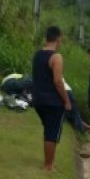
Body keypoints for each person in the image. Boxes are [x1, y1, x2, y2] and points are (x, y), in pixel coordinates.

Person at [32, 25, 71, 171]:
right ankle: (48, 165)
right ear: (59, 38)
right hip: (53, 101)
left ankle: (50, 162)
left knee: (49, 129)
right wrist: (66, 101)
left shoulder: (37, 55)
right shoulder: (56, 57)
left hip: (38, 99)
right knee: (52, 132)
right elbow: (58, 81)